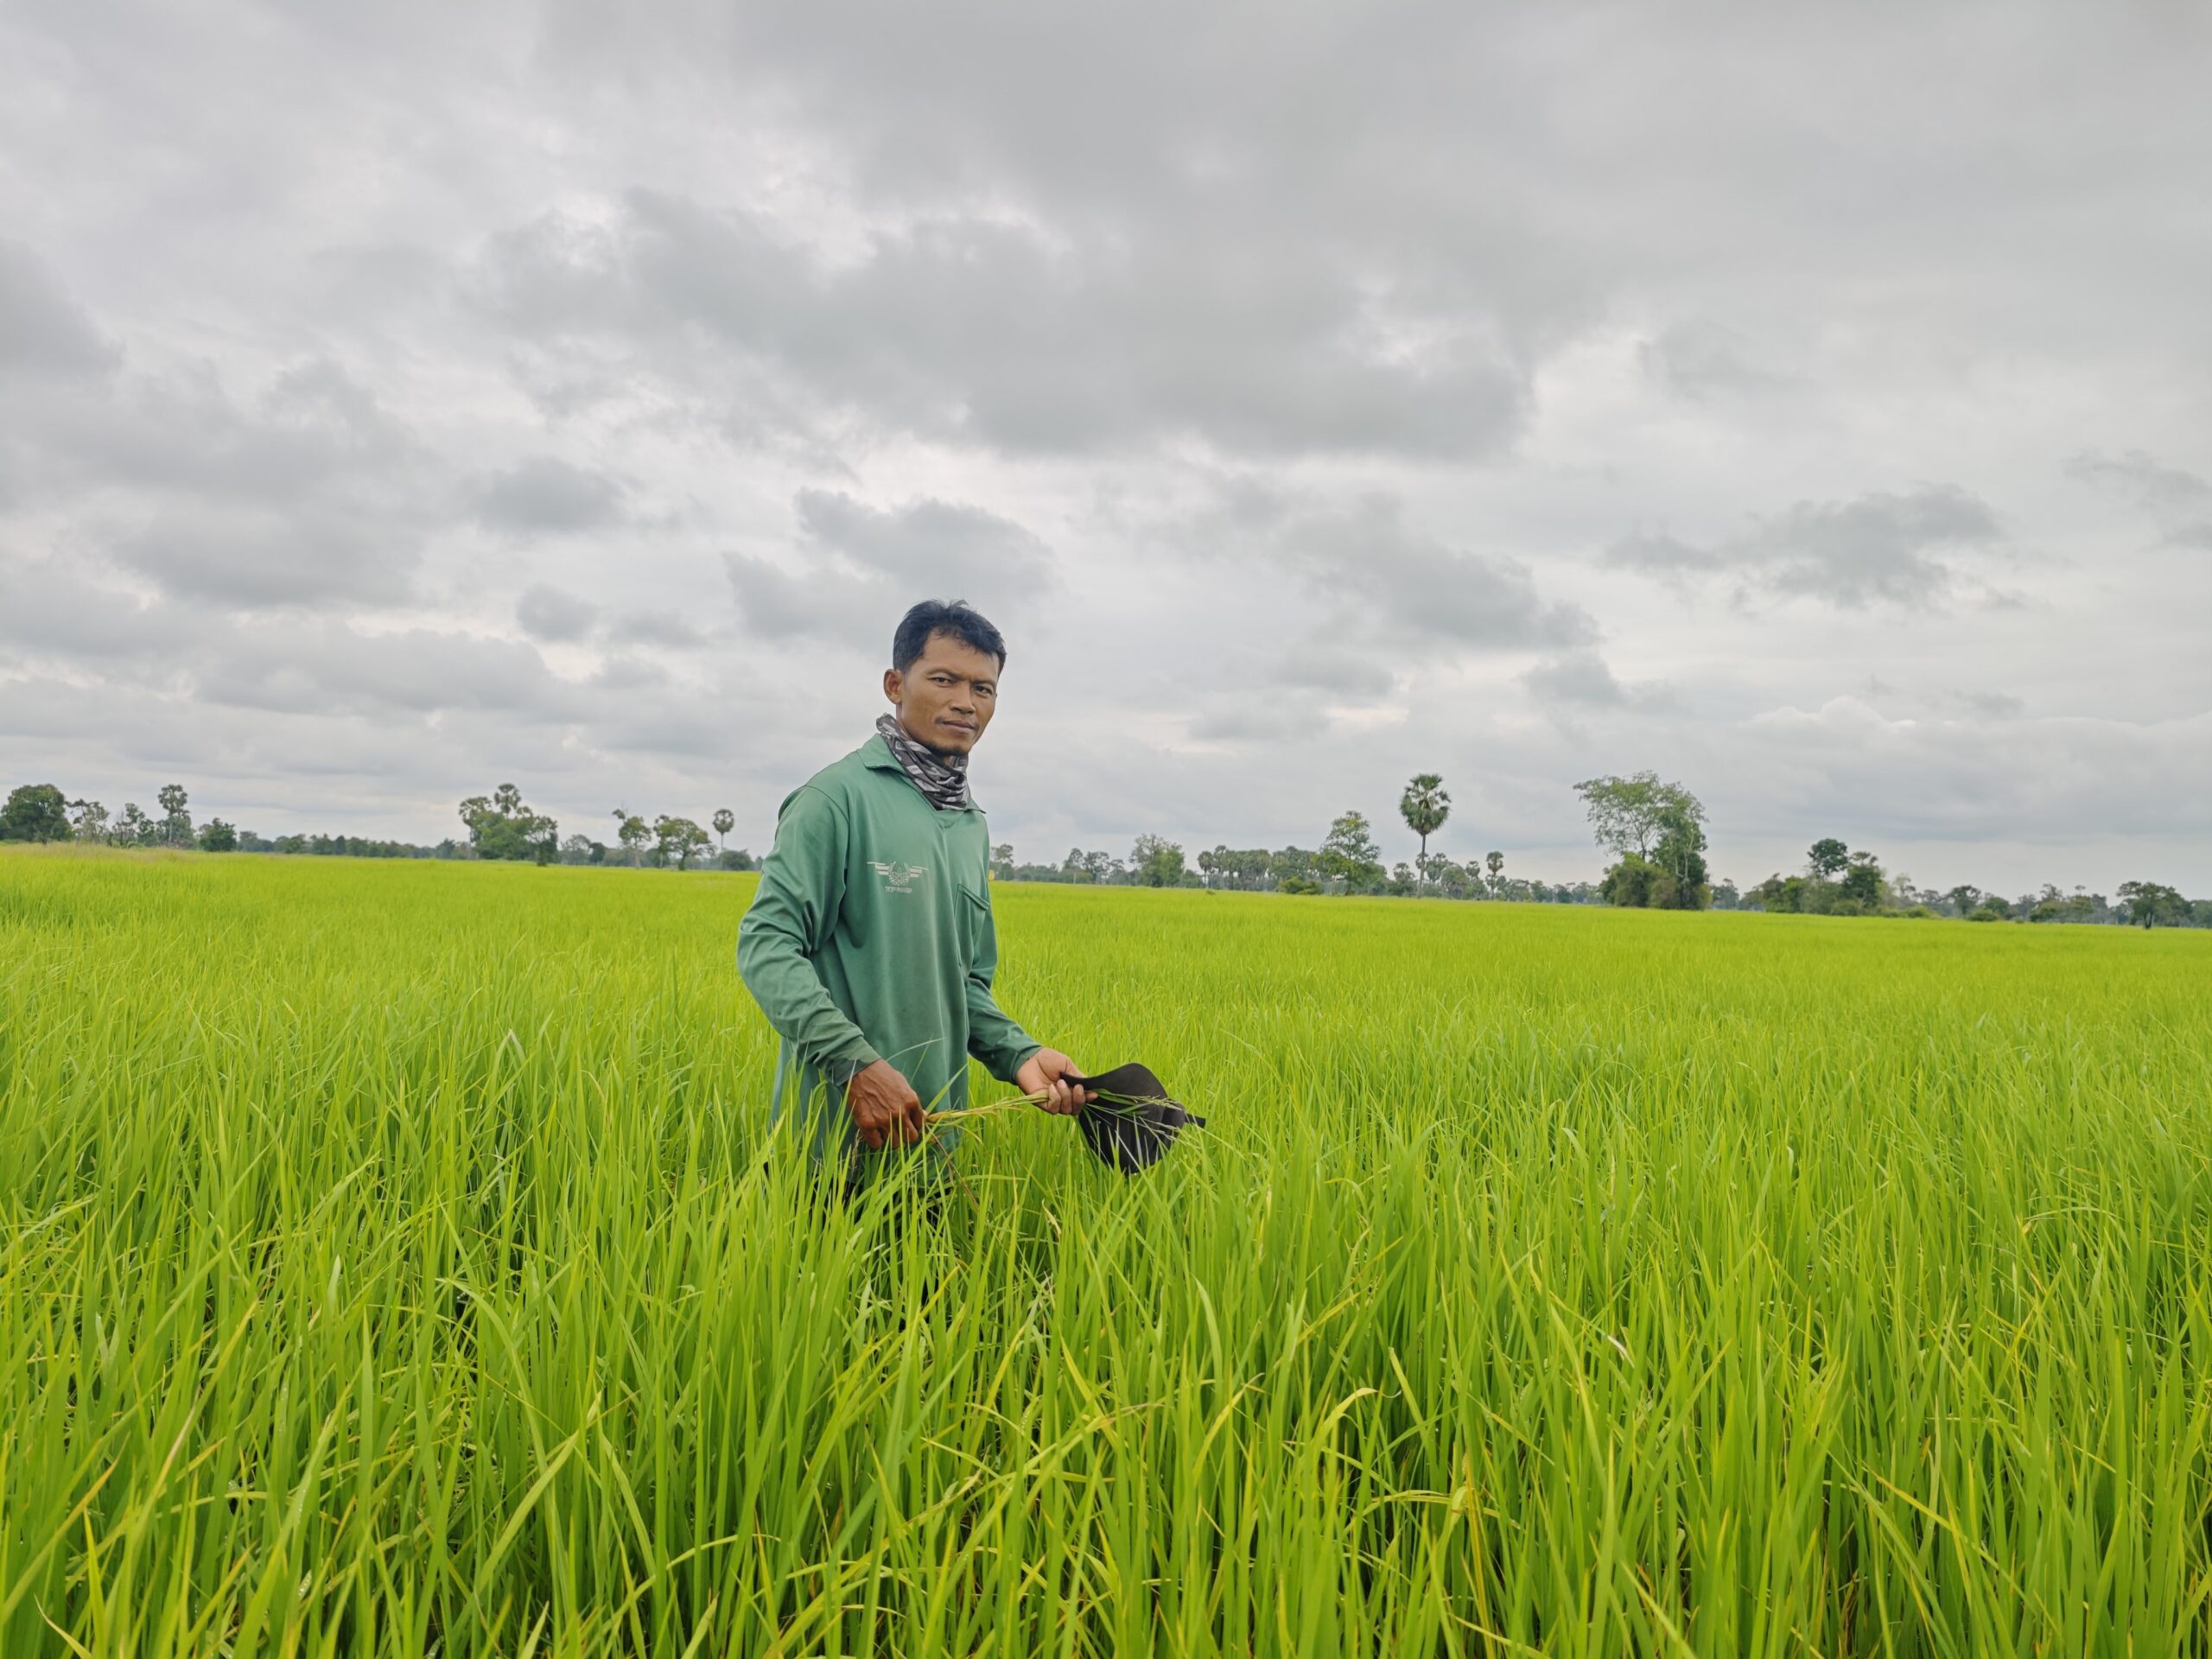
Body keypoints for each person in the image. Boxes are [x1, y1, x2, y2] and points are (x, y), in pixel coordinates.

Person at [737, 599, 1093, 1180]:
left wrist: (1021, 1055)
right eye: (944, 679)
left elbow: (963, 984)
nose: (965, 702)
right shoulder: (836, 800)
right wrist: (856, 1067)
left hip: (933, 1149)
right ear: (895, 684)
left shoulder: (968, 824)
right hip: (829, 1156)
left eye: (984, 688)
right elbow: (767, 947)